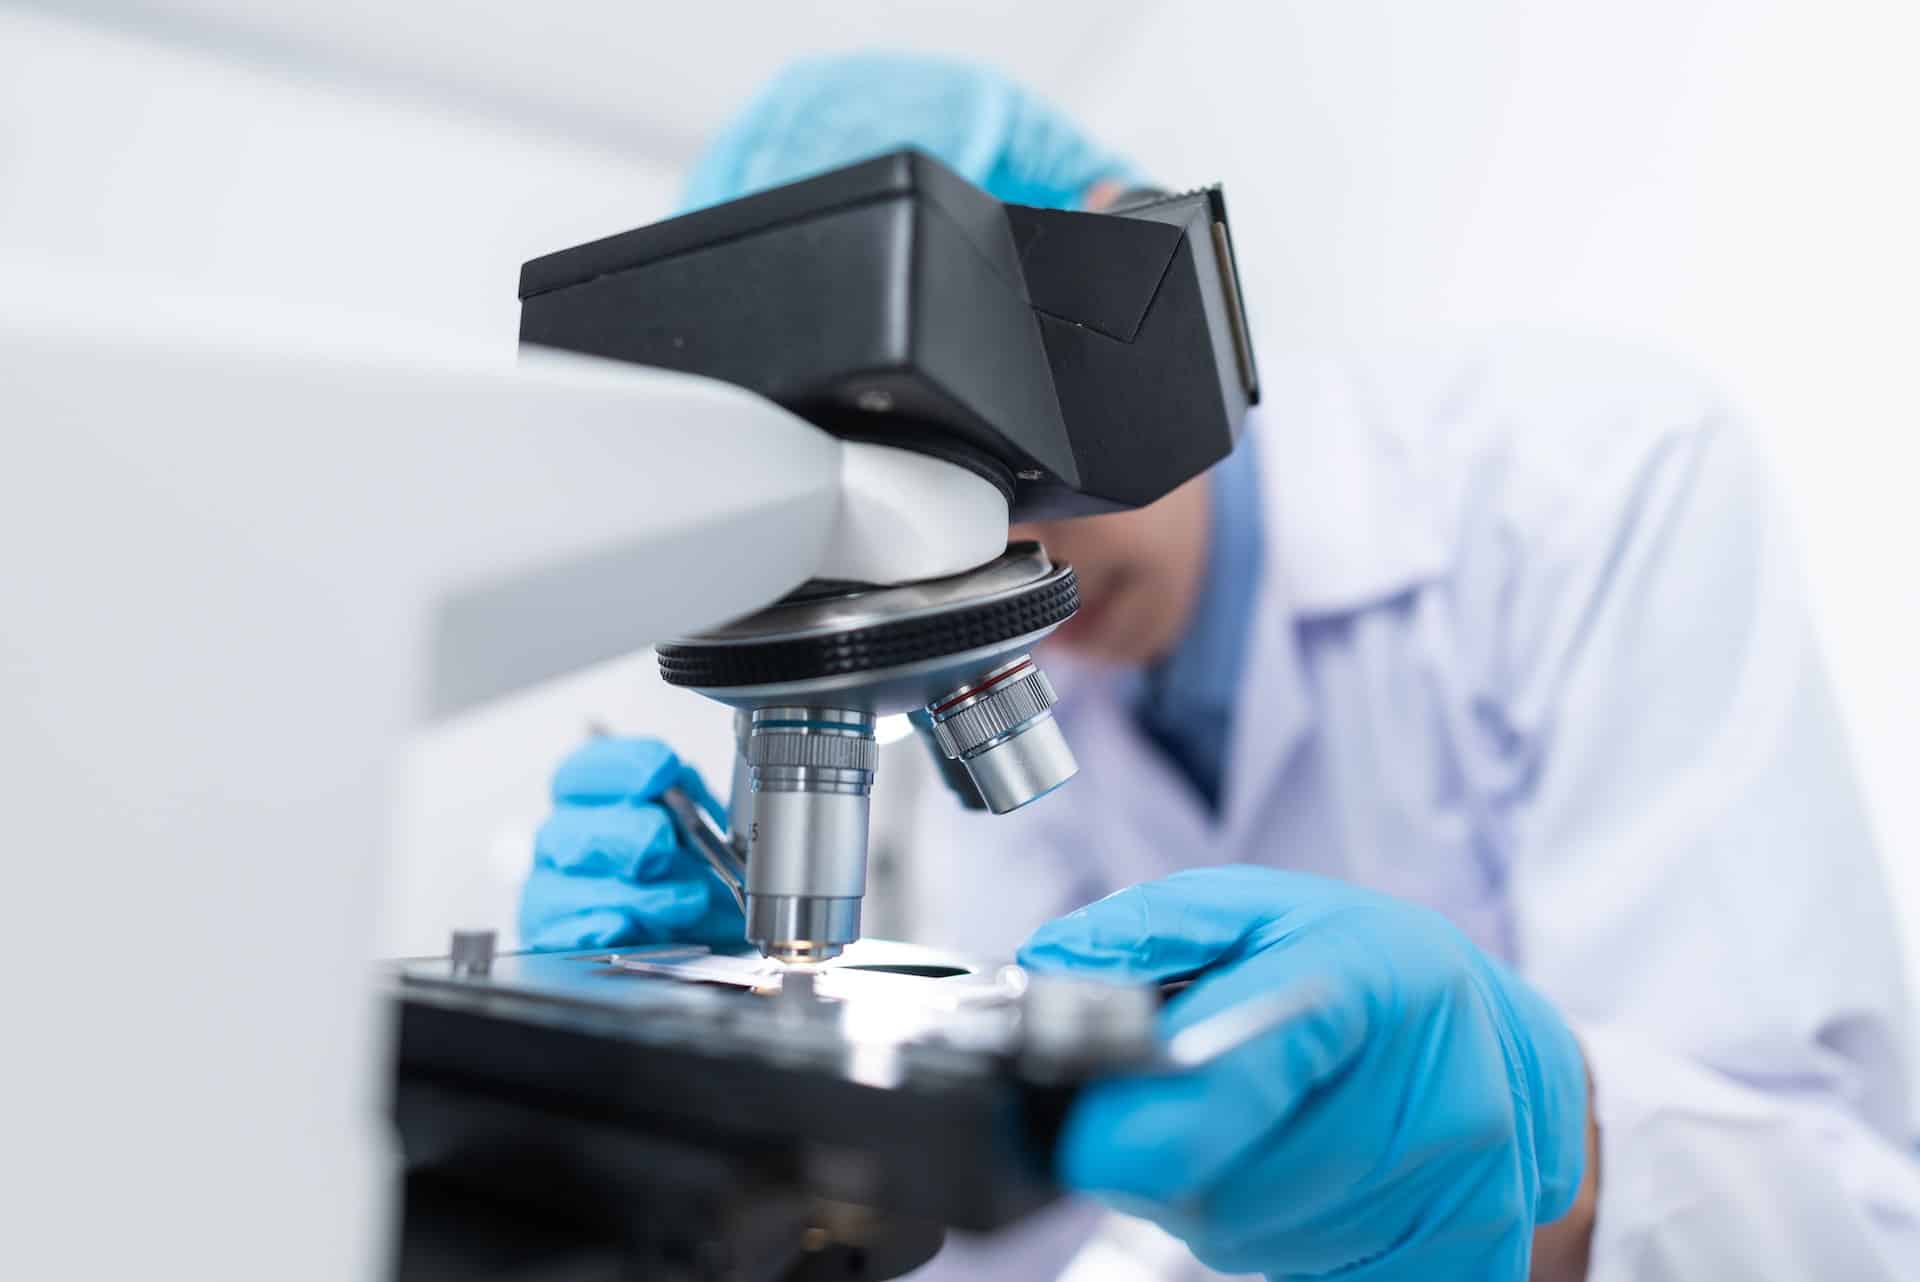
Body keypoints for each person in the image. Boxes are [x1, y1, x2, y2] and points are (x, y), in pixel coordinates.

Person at [519, 52, 1920, 1282]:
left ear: (1142, 308)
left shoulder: (1595, 485)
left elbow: (1851, 1211)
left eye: (1001, 513)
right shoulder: (1013, 671)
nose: (1007, 589)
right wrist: (737, 1122)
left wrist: (1543, 1139)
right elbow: (1015, 1210)